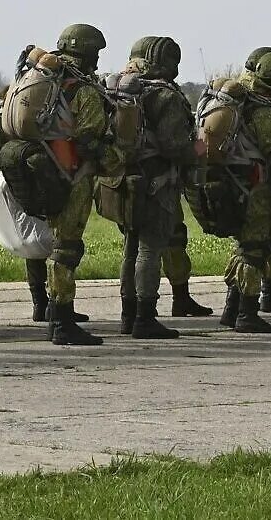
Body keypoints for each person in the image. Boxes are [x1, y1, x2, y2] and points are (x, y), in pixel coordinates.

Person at [3, 24, 115, 346]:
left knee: (44, 245)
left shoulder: (39, 79)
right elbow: (89, 142)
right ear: (90, 53)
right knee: (66, 248)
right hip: (72, 177)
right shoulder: (83, 90)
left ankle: (50, 311)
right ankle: (62, 320)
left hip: (40, 172)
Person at [196, 49, 271, 334]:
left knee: (243, 247)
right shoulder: (265, 109)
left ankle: (232, 309)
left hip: (237, 184)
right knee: (254, 249)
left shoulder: (245, 100)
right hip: (257, 188)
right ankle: (247, 312)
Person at [107, 36, 198, 341]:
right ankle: (146, 317)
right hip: (156, 184)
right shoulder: (165, 96)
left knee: (131, 248)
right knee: (150, 248)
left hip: (124, 182)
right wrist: (195, 150)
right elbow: (175, 146)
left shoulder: (120, 92)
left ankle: (128, 315)